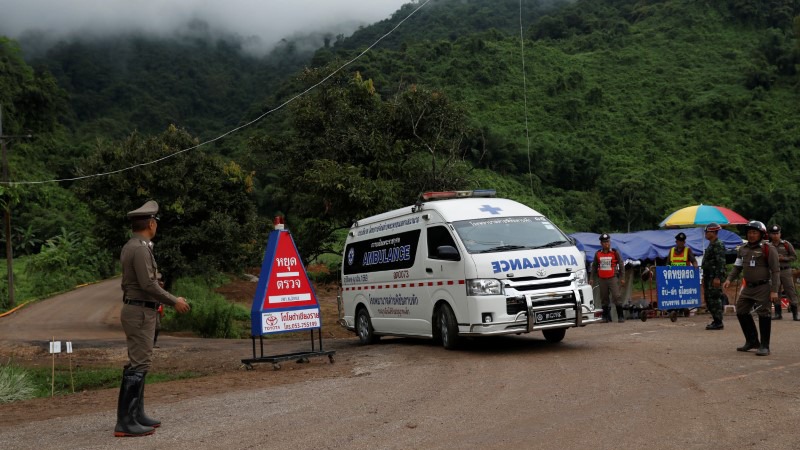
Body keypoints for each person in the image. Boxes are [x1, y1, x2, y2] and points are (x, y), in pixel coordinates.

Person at [115, 200, 191, 437]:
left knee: (140, 363)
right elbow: (148, 284)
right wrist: (173, 300)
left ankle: (136, 414)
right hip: (139, 312)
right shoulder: (139, 248)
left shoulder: (136, 245)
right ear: (150, 223)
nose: (156, 225)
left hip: (141, 310)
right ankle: (126, 422)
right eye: (155, 221)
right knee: (139, 364)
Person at [723, 220, 780, 356]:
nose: (751, 235)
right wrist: (729, 279)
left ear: (761, 234)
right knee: (741, 310)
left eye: (754, 232)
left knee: (764, 314)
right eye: (749, 232)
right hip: (748, 287)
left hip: (763, 287)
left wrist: (774, 290)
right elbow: (737, 267)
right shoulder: (742, 249)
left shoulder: (768, 248)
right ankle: (752, 341)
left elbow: (776, 271)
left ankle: (765, 346)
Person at [589, 233, 626, 323]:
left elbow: (621, 264)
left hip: (612, 278)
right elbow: (594, 266)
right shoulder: (598, 253)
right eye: (604, 242)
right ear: (601, 243)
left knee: (616, 296)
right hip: (602, 279)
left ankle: (620, 316)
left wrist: (622, 277)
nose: (607, 244)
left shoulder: (614, 252)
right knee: (604, 298)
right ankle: (605, 317)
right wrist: (591, 278)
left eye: (608, 241)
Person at [767, 225, 798, 321]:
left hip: (785, 270)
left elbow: (794, 256)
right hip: (773, 271)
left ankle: (795, 314)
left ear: (780, 234)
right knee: (776, 290)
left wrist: (783, 258)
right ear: (770, 235)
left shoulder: (786, 244)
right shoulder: (768, 246)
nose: (775, 235)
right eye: (773, 234)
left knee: (790, 290)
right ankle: (777, 313)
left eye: (777, 233)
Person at [701, 224, 726, 330]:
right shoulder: (711, 244)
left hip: (713, 277)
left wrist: (717, 277)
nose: (705, 234)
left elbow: (720, 262)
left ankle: (718, 321)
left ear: (713, 232)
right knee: (709, 298)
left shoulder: (718, 244)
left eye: (707, 232)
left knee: (714, 298)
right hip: (708, 276)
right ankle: (716, 320)